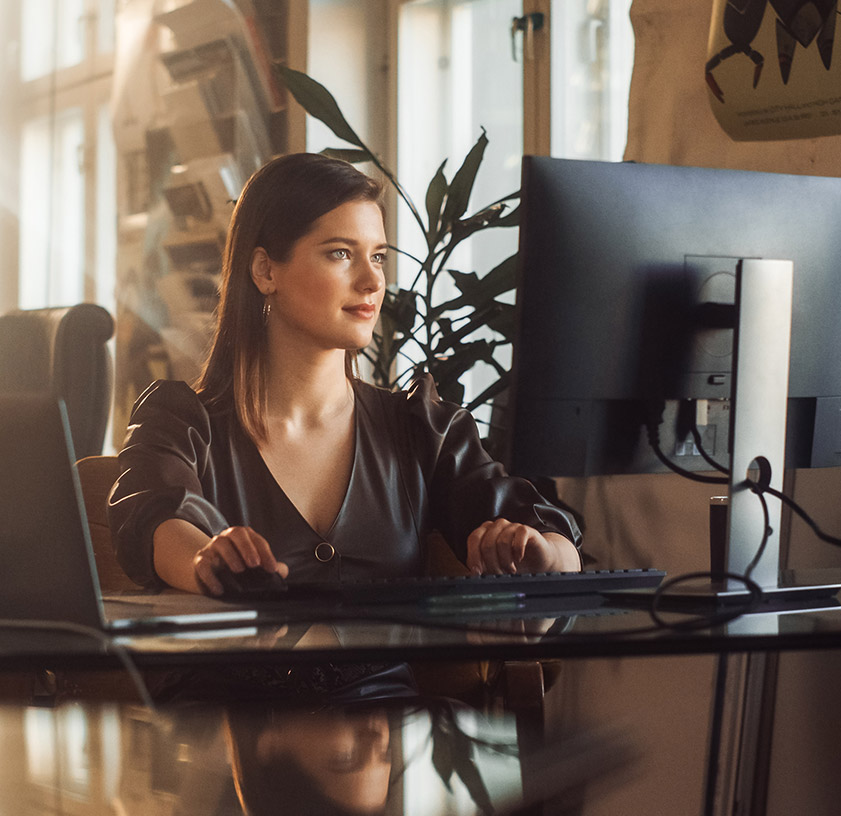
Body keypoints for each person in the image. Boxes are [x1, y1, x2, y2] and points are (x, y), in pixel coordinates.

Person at [110, 152, 580, 595]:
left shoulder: (422, 428)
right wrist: (203, 562)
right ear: (264, 271)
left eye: (377, 256)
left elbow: (556, 543)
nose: (373, 280)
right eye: (340, 253)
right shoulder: (180, 421)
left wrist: (541, 554)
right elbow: (154, 519)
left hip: (389, 687)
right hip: (228, 683)